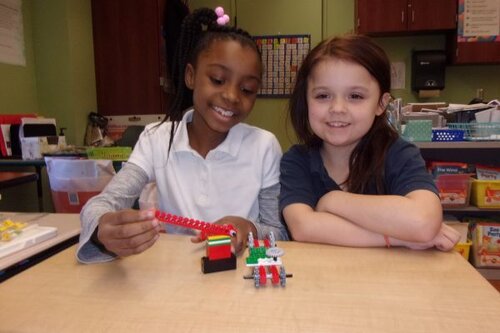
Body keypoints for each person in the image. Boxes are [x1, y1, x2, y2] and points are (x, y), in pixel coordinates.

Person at [77, 7, 287, 264]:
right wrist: (103, 230)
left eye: (247, 89)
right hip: (174, 276)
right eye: (218, 80)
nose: (232, 96)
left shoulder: (264, 146)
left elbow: (278, 232)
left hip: (239, 278)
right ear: (190, 76)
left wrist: (249, 227)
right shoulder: (156, 139)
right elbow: (103, 203)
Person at [280, 35, 460, 251]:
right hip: (321, 280)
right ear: (305, 100)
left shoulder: (398, 153)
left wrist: (332, 200)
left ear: (381, 104)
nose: (337, 108)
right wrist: (400, 237)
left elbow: (423, 221)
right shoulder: (297, 160)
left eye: (355, 96)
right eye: (323, 95)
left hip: (390, 280)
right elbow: (304, 228)